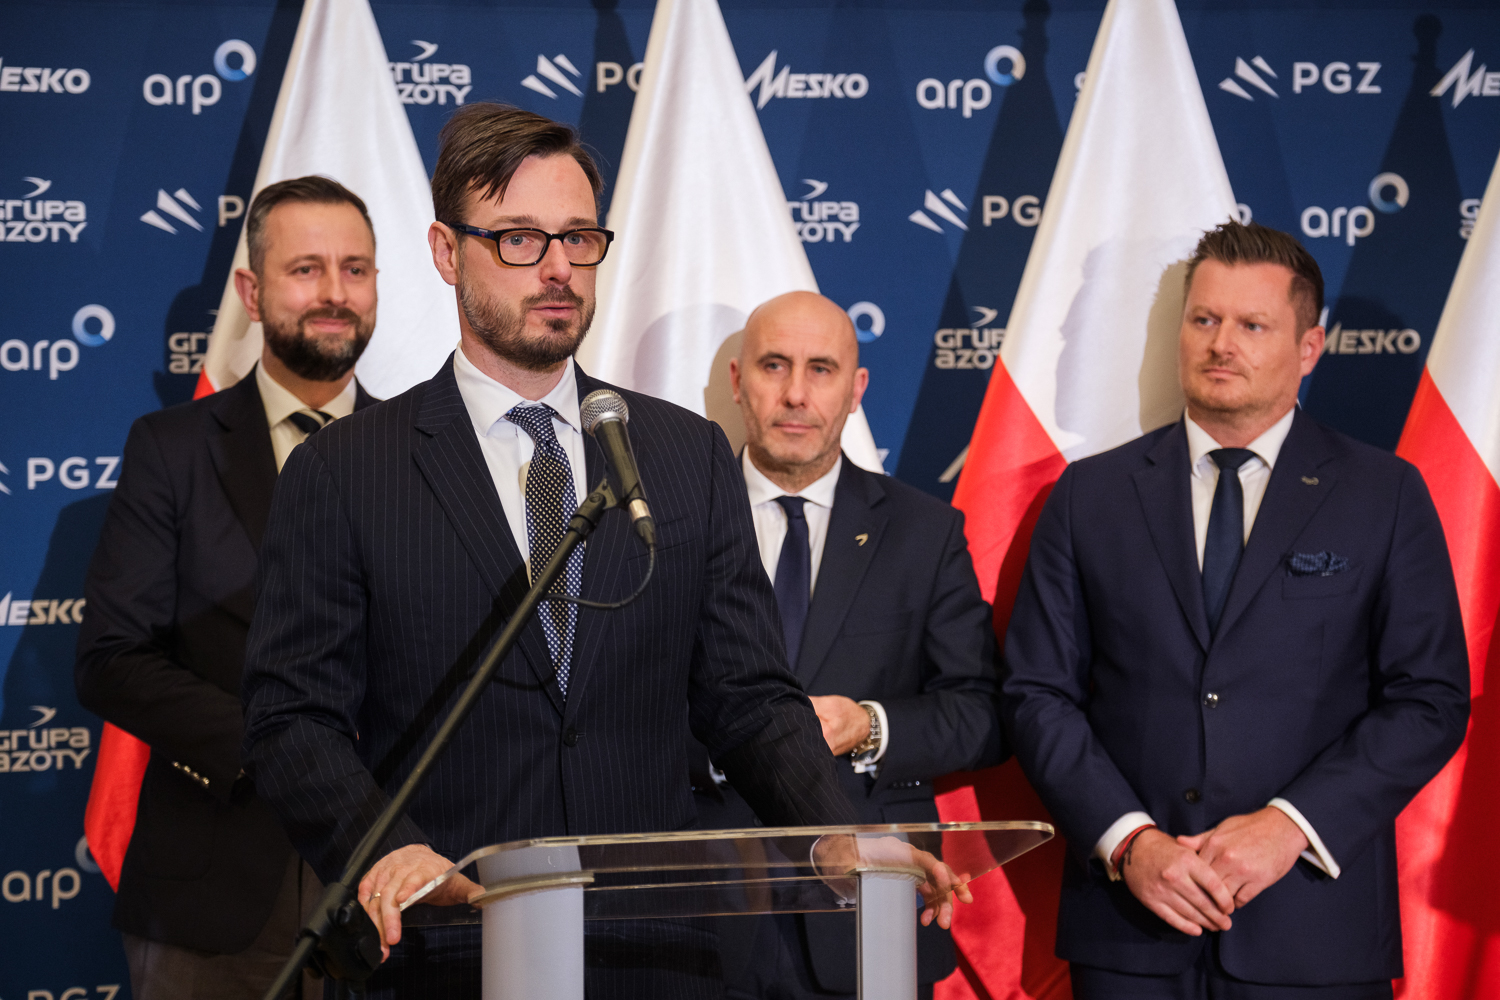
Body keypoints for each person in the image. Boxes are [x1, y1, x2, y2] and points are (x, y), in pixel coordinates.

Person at [240, 104, 967, 998]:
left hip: (653, 955)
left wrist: (835, 834)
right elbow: (292, 718)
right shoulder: (346, 469)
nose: (558, 268)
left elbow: (748, 696)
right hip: (448, 942)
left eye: (579, 239)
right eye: (519, 239)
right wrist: (389, 853)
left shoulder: (684, 453)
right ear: (445, 252)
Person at [1001, 221, 1470, 998]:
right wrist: (1131, 842)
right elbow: (1036, 693)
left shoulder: (1384, 495)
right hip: (1132, 931)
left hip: (1313, 931)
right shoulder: (1089, 497)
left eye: (1252, 325)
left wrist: (1290, 826)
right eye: (1204, 319)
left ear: (1309, 348)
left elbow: (1430, 700)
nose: (1222, 344)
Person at [75, 175, 382, 1000]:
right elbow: (111, 659)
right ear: (251, 291)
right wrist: (280, 750)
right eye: (306, 269)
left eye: (355, 269)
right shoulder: (171, 448)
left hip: (388, 885)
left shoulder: (423, 450)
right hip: (212, 896)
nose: (335, 293)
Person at [690, 291, 1002, 999]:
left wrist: (870, 725)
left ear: (857, 388)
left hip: (868, 911)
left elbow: (982, 714)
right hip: (707, 907)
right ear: (738, 380)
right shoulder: (676, 521)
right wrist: (729, 745)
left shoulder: (925, 533)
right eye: (774, 365)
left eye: (821, 369)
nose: (796, 394)